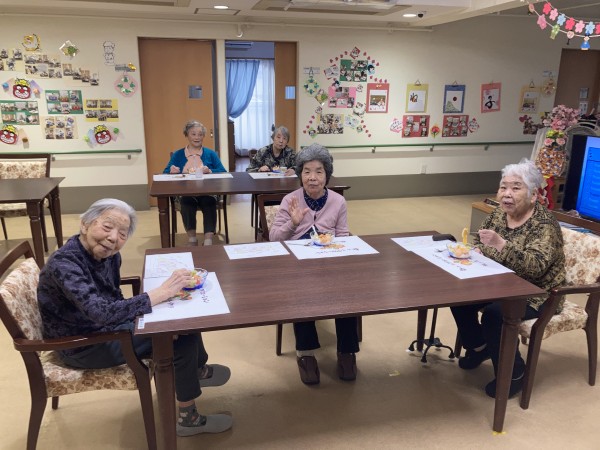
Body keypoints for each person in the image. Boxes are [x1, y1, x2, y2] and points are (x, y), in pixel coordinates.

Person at [37, 198, 233, 437]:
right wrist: (158, 294)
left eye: (122, 234)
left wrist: (154, 302)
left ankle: (196, 371)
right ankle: (189, 419)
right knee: (179, 337)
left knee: (184, 316)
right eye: (107, 227)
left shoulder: (109, 256)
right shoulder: (65, 263)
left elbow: (114, 298)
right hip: (83, 344)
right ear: (85, 224)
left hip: (105, 327)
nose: (113, 238)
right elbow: (101, 313)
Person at [450, 159, 565, 399]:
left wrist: (502, 245)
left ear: (533, 195)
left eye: (516, 187)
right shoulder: (498, 214)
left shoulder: (544, 224)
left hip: (536, 292)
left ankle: (514, 373)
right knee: (457, 297)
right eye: (503, 187)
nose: (507, 194)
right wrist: (478, 250)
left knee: (495, 315)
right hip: (498, 281)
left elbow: (536, 268)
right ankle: (480, 347)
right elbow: (482, 242)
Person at [269, 144, 359, 385]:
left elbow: (343, 235)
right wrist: (293, 223)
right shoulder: (290, 200)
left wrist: (339, 250)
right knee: (301, 293)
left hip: (330, 259)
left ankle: (347, 351)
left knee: (347, 292)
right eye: (307, 171)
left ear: (327, 175)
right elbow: (274, 238)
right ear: (300, 174)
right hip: (296, 263)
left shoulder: (338, 201)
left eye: (319, 171)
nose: (312, 177)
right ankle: (306, 353)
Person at [164, 120, 227, 246]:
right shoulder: (178, 154)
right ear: (186, 135)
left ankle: (208, 240)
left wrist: (210, 171)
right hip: (185, 192)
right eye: (193, 134)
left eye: (200, 134)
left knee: (209, 202)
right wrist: (172, 171)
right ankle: (192, 239)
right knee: (186, 202)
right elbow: (165, 173)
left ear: (203, 136)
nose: (197, 137)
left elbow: (223, 171)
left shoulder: (210, 153)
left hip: (207, 191)